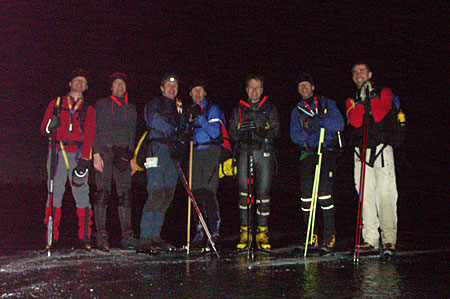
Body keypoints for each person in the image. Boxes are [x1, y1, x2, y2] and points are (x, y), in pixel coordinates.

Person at [345, 62, 398, 256]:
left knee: (386, 194)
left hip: (382, 150)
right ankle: (370, 239)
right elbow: (356, 121)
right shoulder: (351, 99)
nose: (359, 74)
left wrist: (371, 96)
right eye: (355, 72)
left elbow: (378, 115)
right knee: (365, 196)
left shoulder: (385, 92)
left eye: (362, 71)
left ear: (369, 74)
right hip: (361, 151)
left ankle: (389, 239)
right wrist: (361, 100)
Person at [40, 68, 96, 250]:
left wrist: (84, 160)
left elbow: (89, 135)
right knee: (54, 195)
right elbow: (44, 130)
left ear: (86, 86)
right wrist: (52, 125)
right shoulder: (56, 103)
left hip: (78, 155)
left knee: (82, 195)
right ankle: (51, 236)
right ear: (70, 84)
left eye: (83, 81)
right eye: (76, 80)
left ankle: (85, 237)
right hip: (57, 153)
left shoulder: (88, 109)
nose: (79, 84)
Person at [290, 73, 344, 254]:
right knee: (306, 196)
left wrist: (320, 121)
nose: (304, 88)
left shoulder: (326, 104)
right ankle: (310, 237)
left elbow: (339, 124)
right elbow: (295, 136)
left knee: (324, 194)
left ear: (313, 87)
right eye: (300, 86)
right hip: (308, 154)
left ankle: (329, 237)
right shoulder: (298, 110)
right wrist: (309, 128)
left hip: (326, 152)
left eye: (306, 85)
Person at [229, 74, 280, 251]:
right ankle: (245, 231)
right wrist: (242, 133)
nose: (254, 91)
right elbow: (231, 133)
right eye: (251, 87)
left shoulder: (269, 108)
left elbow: (276, 130)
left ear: (262, 89)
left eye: (257, 87)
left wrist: (260, 133)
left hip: (263, 152)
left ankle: (262, 231)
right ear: (246, 89)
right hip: (244, 152)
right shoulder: (239, 109)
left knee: (263, 193)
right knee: (244, 192)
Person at [92, 72, 138, 251]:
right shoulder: (102, 104)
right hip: (104, 152)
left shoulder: (131, 108)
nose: (120, 87)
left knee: (125, 194)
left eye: (123, 84)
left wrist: (132, 157)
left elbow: (132, 134)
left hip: (123, 155)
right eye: (116, 84)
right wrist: (95, 153)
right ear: (111, 87)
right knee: (103, 193)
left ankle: (127, 235)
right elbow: (94, 129)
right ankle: (101, 235)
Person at [139, 74, 184, 250]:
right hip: (157, 149)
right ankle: (145, 236)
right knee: (156, 192)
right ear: (162, 88)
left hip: (173, 154)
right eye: (168, 86)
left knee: (167, 194)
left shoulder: (179, 107)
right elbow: (153, 120)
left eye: (175, 86)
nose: (172, 89)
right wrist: (174, 130)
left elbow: (183, 127)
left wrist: (182, 136)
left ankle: (156, 235)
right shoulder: (155, 103)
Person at [186, 79, 225, 250]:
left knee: (208, 191)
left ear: (205, 93)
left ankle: (214, 229)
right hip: (195, 152)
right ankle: (199, 229)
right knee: (194, 192)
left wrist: (200, 118)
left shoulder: (212, 109)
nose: (197, 94)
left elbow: (215, 132)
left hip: (210, 151)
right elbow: (186, 132)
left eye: (200, 90)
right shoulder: (189, 111)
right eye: (194, 91)